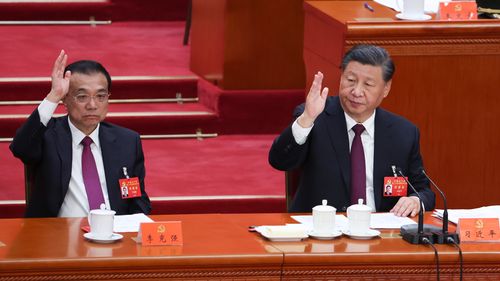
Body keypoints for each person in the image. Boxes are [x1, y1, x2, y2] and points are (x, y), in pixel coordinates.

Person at [269, 45, 434, 217]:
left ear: (386, 88)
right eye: (350, 80)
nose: (356, 92)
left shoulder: (404, 133)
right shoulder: (315, 117)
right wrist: (306, 119)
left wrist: (416, 200)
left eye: (368, 84)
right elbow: (279, 161)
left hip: (382, 233)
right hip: (322, 231)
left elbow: (424, 191)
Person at [10, 50, 151, 217]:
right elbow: (20, 147)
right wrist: (53, 96)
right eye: (82, 96)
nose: (92, 105)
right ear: (65, 99)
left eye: (101, 96)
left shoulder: (127, 141)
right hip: (58, 235)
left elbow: (136, 197)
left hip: (114, 233)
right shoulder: (47, 135)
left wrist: (133, 226)